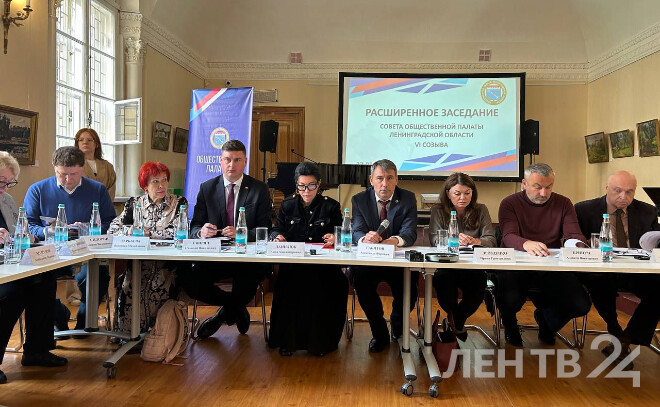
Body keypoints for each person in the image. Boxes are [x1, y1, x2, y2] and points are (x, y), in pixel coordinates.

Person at [179, 140, 271, 339]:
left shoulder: (259, 189)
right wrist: (201, 232)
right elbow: (195, 226)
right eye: (227, 159)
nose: (232, 164)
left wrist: (242, 233)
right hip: (215, 256)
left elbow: (265, 229)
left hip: (247, 258)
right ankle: (234, 307)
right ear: (220, 161)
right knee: (190, 281)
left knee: (249, 279)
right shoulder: (207, 188)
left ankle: (220, 317)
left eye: (237, 160)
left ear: (245, 161)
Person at [24, 146, 116, 337]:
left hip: (87, 251)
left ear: (82, 168)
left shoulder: (97, 189)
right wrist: (46, 231)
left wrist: (88, 228)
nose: (68, 180)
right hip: (50, 251)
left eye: (73, 174)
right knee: (34, 280)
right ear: (54, 167)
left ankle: (84, 322)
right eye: (62, 174)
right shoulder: (37, 190)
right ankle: (59, 314)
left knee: (97, 275)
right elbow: (28, 225)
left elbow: (111, 223)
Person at [497, 163, 591, 346]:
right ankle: (510, 326)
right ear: (524, 184)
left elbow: (574, 234)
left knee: (580, 304)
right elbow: (508, 236)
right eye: (537, 187)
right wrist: (526, 243)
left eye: (548, 187)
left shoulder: (563, 203)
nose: (543, 193)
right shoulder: (509, 203)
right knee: (509, 298)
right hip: (516, 266)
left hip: (551, 266)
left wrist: (578, 245)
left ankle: (547, 322)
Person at [575, 170, 660, 369]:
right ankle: (614, 329)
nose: (623, 197)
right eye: (618, 191)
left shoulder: (647, 211)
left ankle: (626, 338)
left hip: (636, 269)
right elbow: (574, 240)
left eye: (629, 192)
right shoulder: (584, 209)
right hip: (600, 269)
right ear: (607, 188)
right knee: (599, 282)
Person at [0, 151, 67, 384]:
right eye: (1, 181)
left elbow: (17, 234)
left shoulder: (6, 200)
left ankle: (37, 350)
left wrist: (23, 237)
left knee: (44, 280)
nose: (5, 188)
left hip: (10, 264)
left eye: (9, 183)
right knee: (12, 293)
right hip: (5, 274)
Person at [268, 162, 348, 356]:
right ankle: (288, 342)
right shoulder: (288, 205)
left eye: (311, 186)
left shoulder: (331, 206)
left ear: (318, 184)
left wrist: (335, 237)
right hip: (294, 264)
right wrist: (277, 236)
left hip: (322, 266)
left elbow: (342, 232)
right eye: (302, 186)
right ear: (297, 185)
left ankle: (319, 343)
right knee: (289, 284)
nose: (306, 191)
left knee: (333, 284)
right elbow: (277, 228)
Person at [108, 162, 188, 335]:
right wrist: (129, 231)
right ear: (145, 186)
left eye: (164, 180)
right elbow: (112, 230)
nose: (161, 185)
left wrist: (149, 233)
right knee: (129, 286)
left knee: (158, 285)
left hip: (167, 263)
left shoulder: (178, 203)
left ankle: (157, 337)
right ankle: (130, 336)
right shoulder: (134, 203)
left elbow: (180, 232)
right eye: (155, 181)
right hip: (139, 262)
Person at [351, 159, 418, 353]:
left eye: (390, 178)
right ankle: (379, 333)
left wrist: (395, 240)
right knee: (359, 277)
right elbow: (356, 230)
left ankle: (397, 324)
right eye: (380, 178)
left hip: (396, 259)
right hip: (370, 259)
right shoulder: (359, 199)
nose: (385, 184)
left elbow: (410, 232)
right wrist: (365, 238)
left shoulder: (408, 198)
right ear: (371, 180)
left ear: (396, 180)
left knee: (409, 284)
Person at [428, 172, 496, 341]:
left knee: (477, 289)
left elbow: (491, 240)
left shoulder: (481, 209)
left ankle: (454, 322)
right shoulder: (438, 210)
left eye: (467, 193)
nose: (462, 198)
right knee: (444, 284)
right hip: (447, 264)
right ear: (448, 193)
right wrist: (453, 240)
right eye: (457, 193)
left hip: (472, 266)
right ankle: (455, 325)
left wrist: (476, 241)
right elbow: (434, 239)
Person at [74, 128, 117, 200]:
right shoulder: (73, 166)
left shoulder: (108, 166)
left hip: (104, 205)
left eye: (89, 140)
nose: (85, 142)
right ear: (77, 144)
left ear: (96, 144)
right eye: (81, 140)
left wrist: (103, 203)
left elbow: (111, 190)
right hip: (82, 204)